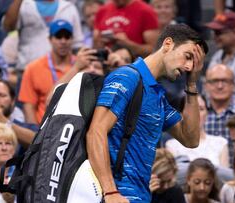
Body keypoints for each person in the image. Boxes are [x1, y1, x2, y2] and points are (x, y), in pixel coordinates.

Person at [86, 24, 208, 203]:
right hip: (116, 196)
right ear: (167, 44)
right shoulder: (127, 77)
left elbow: (190, 139)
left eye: (195, 63)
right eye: (188, 56)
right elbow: (96, 132)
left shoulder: (157, 96)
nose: (189, 67)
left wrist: (191, 84)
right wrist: (110, 192)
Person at [18, 19, 76, 125]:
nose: (63, 41)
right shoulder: (33, 68)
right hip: (45, 130)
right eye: (58, 37)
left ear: (72, 39)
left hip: (75, 129)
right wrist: (36, 135)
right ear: (50, 39)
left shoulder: (82, 66)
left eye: (67, 37)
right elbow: (29, 107)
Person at [3, 0, 83, 71]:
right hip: (27, 69)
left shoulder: (68, 8)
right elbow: (8, 27)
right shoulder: (24, 5)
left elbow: (77, 45)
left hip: (63, 71)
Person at [166, 95, 230, 168]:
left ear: (207, 113)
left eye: (201, 109)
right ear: (181, 114)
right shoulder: (172, 146)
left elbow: (225, 177)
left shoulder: (221, 143)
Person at [203, 64, 235, 166]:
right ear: (206, 86)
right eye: (215, 81)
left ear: (233, 85)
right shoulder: (197, 114)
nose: (220, 86)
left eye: (225, 81)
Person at [0, 77, 37, 148]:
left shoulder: (26, 128)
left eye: (2, 95)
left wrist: (5, 123)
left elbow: (39, 142)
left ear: (13, 101)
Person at [93, 0, 159, 57]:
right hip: (106, 65)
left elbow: (154, 50)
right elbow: (95, 47)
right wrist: (99, 42)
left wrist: (128, 44)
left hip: (133, 66)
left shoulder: (145, 11)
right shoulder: (102, 11)